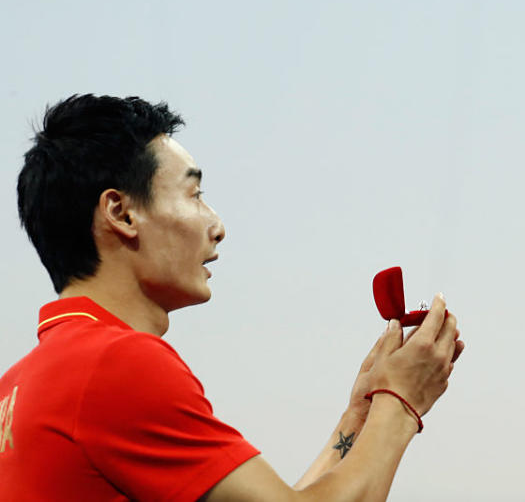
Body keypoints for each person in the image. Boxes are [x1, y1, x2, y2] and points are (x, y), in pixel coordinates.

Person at [0, 94, 464, 501]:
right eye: (194, 194)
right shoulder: (117, 365)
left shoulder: (20, 384)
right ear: (121, 212)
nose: (217, 225)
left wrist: (359, 416)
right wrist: (401, 399)